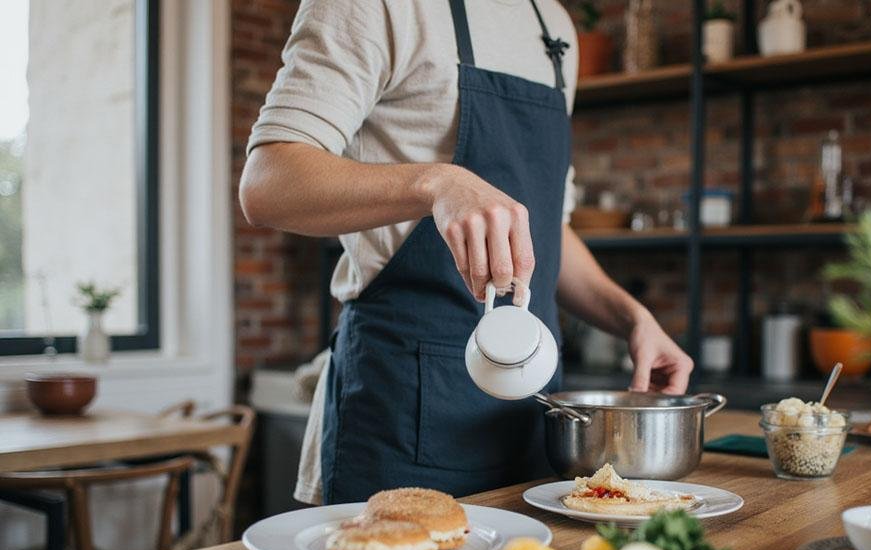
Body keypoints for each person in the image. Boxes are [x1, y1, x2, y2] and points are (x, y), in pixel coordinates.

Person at [240, 0, 693, 504]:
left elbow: (546, 231)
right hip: (405, 414)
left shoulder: (552, 23)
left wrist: (633, 320)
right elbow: (267, 184)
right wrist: (438, 183)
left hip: (529, 417)